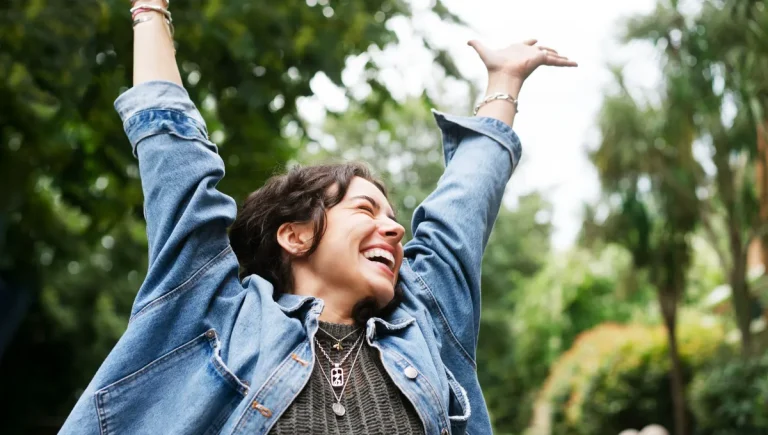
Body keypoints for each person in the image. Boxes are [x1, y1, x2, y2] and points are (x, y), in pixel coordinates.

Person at [60, 1, 576, 434]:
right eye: (365, 209)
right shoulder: (216, 318)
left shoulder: (424, 320)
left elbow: (462, 208)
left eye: (393, 217)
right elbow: (176, 162)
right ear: (295, 235)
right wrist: (150, 11)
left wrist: (504, 81)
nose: (396, 230)